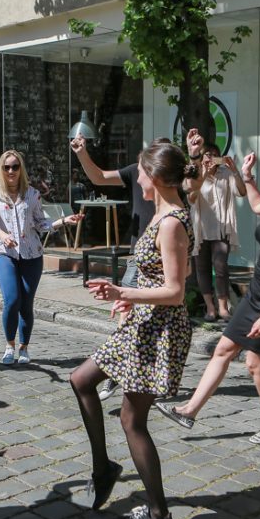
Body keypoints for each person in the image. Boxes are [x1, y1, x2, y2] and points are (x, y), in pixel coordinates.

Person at [68, 142, 194, 519]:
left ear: (154, 178)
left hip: (160, 331)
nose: (135, 177)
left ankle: (158, 514)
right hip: (144, 322)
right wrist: (128, 301)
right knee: (81, 379)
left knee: (131, 420)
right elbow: (159, 280)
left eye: (139, 172)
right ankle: (103, 467)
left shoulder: (172, 221)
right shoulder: (162, 213)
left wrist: (122, 293)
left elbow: (175, 290)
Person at [158, 154, 260, 446]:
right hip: (257, 292)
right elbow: (255, 205)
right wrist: (247, 175)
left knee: (256, 363)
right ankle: (189, 411)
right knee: (223, 349)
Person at [71, 135, 157, 398]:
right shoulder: (135, 172)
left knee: (152, 324)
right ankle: (118, 369)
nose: (141, 172)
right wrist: (81, 153)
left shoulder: (173, 183)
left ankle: (132, 373)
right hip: (136, 257)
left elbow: (196, 186)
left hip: (160, 261)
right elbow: (99, 177)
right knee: (126, 316)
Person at [0, 150, 83, 365]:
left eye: (15, 167)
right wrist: (3, 236)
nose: (11, 171)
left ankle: (24, 347)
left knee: (26, 303)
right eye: (6, 167)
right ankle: (9, 345)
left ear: (21, 169)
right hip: (6, 254)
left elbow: (40, 223)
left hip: (32, 255)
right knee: (12, 300)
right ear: (1, 170)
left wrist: (63, 221)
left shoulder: (32, 194)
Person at [185, 133, 246, 321]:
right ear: (202, 157)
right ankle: (210, 308)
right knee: (202, 269)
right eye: (208, 154)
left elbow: (242, 193)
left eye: (214, 154)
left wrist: (235, 170)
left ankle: (223, 308)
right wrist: (202, 175)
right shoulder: (195, 176)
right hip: (200, 230)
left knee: (221, 269)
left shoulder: (226, 174)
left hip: (221, 229)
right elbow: (191, 198)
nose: (211, 158)